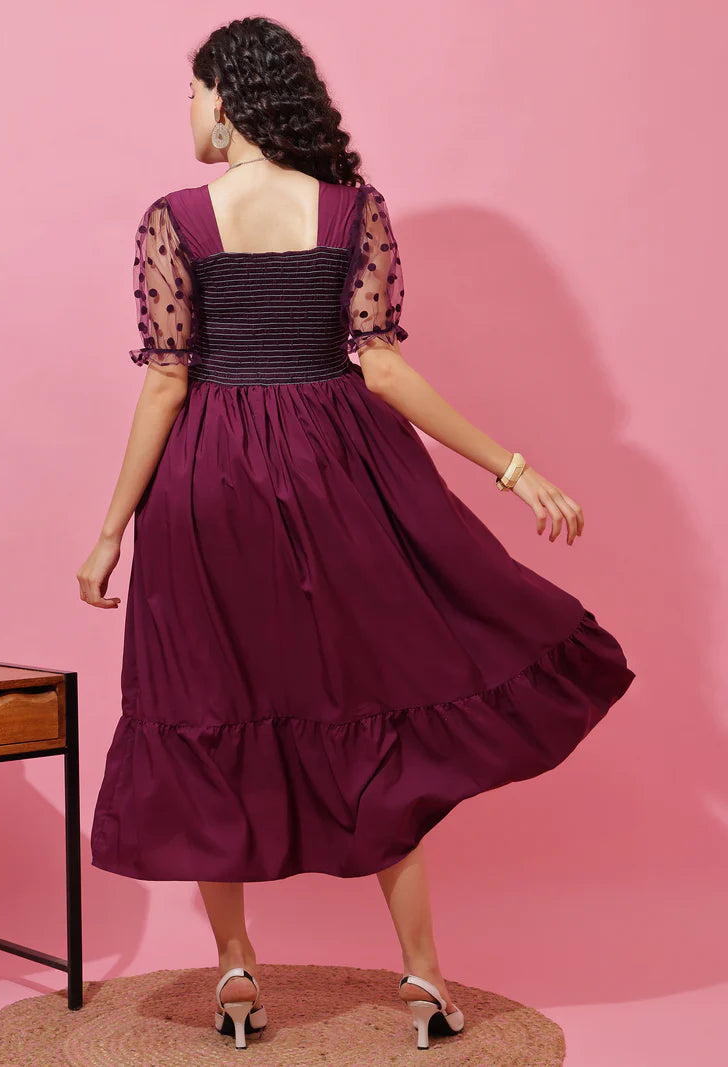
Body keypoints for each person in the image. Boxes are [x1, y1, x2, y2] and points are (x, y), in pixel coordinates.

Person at [76, 16, 636, 1053]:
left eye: (193, 91)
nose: (189, 111)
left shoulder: (177, 218)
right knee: (375, 707)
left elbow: (165, 380)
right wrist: (511, 469)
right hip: (337, 472)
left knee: (207, 707)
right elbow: (378, 365)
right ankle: (422, 977)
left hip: (205, 483)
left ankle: (235, 972)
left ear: (229, 98)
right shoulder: (349, 211)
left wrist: (110, 530)